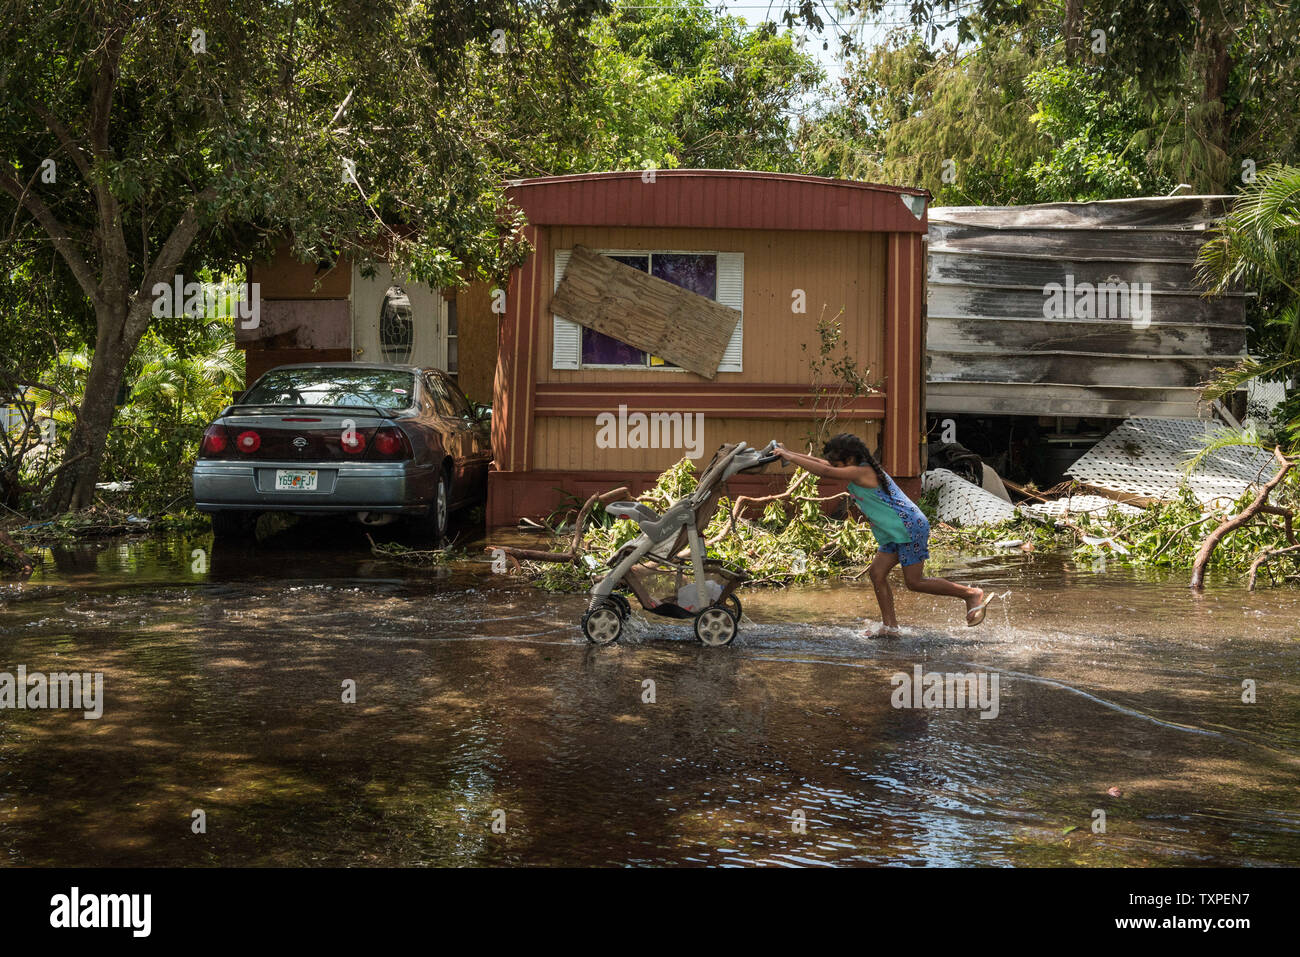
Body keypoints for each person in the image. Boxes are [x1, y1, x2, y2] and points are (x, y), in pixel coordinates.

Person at [773, 433, 993, 637]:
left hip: (908, 527)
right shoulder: (855, 466)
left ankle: (970, 594)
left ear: (850, 459)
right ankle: (890, 627)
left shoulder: (863, 470)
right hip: (892, 532)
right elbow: (826, 465)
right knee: (877, 574)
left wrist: (788, 456)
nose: (834, 465)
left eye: (837, 461)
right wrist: (788, 452)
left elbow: (826, 471)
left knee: (914, 582)